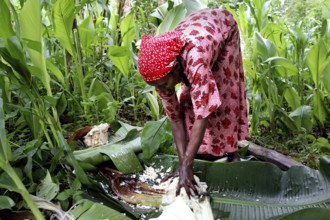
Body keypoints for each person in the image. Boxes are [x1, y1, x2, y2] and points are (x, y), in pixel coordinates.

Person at [137, 8, 249, 197]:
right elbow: (175, 118)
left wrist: (186, 166)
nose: (163, 90)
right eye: (156, 86)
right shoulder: (161, 75)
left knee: (221, 91)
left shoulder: (194, 59)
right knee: (188, 101)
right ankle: (198, 153)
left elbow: (203, 112)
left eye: (164, 84)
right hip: (196, 34)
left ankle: (231, 152)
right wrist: (182, 165)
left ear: (174, 70)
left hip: (222, 28)